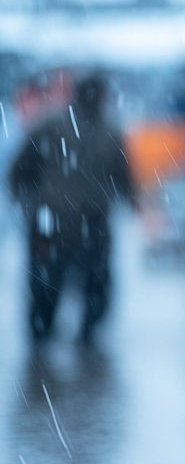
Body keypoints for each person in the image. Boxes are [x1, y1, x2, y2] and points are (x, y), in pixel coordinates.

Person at [9, 73, 134, 344]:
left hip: (50, 225)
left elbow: (19, 169)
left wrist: (25, 203)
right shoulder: (110, 132)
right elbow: (124, 179)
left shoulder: (48, 124)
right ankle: (85, 341)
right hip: (91, 226)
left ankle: (43, 347)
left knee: (45, 293)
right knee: (94, 294)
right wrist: (137, 205)